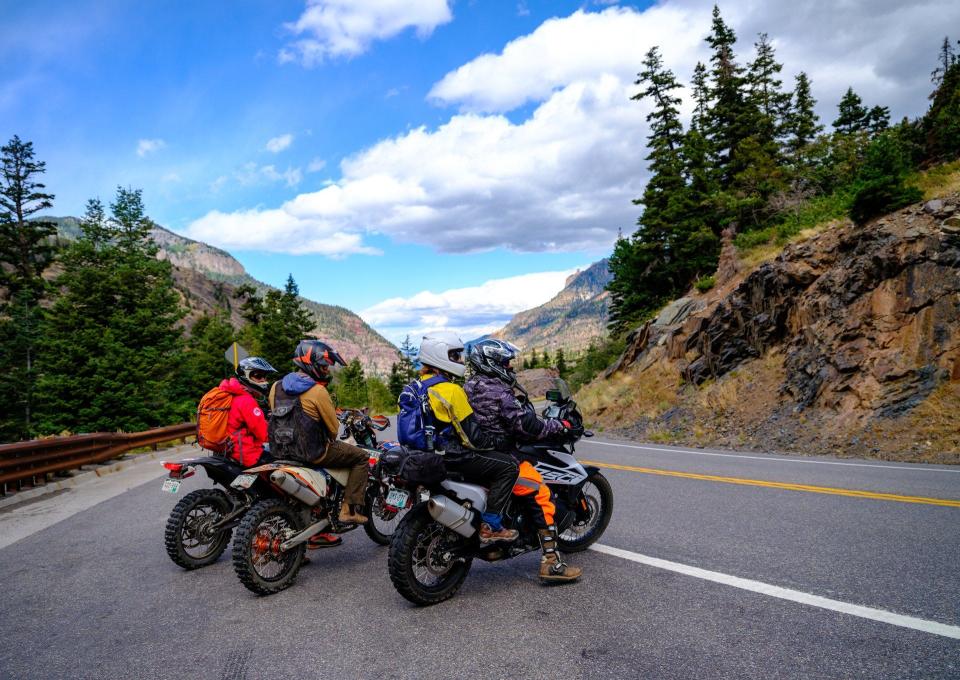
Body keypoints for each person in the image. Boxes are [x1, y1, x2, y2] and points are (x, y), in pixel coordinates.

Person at [465, 338, 583, 584]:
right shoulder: (499, 392)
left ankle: (498, 540)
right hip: (501, 456)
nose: (510, 368)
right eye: (506, 363)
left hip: (473, 456)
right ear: (492, 363)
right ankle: (551, 563)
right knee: (541, 495)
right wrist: (558, 426)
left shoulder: (468, 386)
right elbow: (526, 425)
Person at [413, 332, 520, 543]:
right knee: (509, 467)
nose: (459, 361)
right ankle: (491, 525)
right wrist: (499, 442)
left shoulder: (414, 387)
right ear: (439, 357)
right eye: (454, 356)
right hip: (452, 455)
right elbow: (473, 438)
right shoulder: (451, 390)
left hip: (422, 453)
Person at [269, 339, 370, 526]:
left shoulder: (275, 387)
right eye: (324, 366)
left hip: (280, 450)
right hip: (312, 453)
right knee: (362, 457)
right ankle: (348, 510)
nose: (326, 370)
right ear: (311, 364)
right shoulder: (317, 391)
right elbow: (333, 430)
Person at [218, 356, 276, 467]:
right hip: (248, 455)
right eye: (258, 376)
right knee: (285, 465)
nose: (263, 380)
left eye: (264, 376)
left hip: (231, 453)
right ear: (246, 376)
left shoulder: (232, 395)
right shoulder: (246, 401)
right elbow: (265, 434)